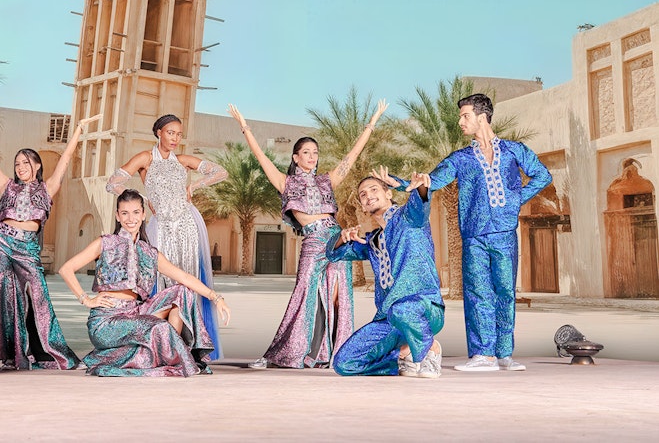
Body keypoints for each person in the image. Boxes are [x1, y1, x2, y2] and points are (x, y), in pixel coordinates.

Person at [395, 93, 551, 372]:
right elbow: (434, 180)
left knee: (505, 292)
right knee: (478, 292)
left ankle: (504, 354)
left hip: (504, 233)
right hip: (474, 236)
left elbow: (542, 175)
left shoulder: (515, 151)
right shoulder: (462, 158)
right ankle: (483, 354)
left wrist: (516, 199)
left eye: (464, 116)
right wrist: (400, 183)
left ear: (482, 117)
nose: (460, 122)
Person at [229, 100, 387, 369]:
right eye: (305, 152)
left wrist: (371, 124)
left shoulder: (328, 180)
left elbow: (351, 157)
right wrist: (245, 127)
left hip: (336, 238)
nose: (312, 156)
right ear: (295, 157)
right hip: (313, 241)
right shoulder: (285, 182)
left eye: (315, 152)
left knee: (339, 298)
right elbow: (261, 157)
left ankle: (337, 354)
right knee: (304, 293)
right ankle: (284, 353)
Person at [0, 111, 100, 370]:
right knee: (5, 296)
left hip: (28, 247)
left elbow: (66, 159)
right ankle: (12, 356)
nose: (21, 167)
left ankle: (53, 352)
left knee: (39, 295)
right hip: (1, 243)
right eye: (17, 164)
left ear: (37, 165)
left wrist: (79, 128)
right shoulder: (7, 185)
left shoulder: (48, 188)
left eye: (26, 163)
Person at [58, 189, 231, 377]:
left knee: (182, 292)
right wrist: (86, 299)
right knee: (160, 327)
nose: (130, 218)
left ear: (143, 214)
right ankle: (175, 357)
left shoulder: (149, 252)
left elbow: (185, 278)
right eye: (124, 213)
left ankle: (167, 355)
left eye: (135, 212)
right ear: (117, 216)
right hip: (107, 321)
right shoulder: (105, 243)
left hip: (135, 312)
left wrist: (216, 298)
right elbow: (66, 269)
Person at [106, 114, 228, 359]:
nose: (175, 138)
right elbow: (113, 182)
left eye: (179, 134)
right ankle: (163, 344)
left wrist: (194, 187)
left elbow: (220, 172)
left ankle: (192, 346)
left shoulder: (183, 161)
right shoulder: (145, 159)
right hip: (161, 226)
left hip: (187, 225)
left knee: (188, 282)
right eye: (170, 132)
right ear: (159, 132)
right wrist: (140, 201)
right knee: (163, 282)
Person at [327, 171, 444, 378]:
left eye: (374, 190)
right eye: (363, 194)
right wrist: (342, 238)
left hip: (424, 308)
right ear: (362, 206)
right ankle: (402, 355)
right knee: (344, 364)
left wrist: (417, 187)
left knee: (401, 310)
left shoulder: (409, 218)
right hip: (390, 320)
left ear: (388, 194)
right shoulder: (371, 241)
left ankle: (430, 350)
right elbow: (335, 254)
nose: (368, 195)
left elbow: (422, 200)